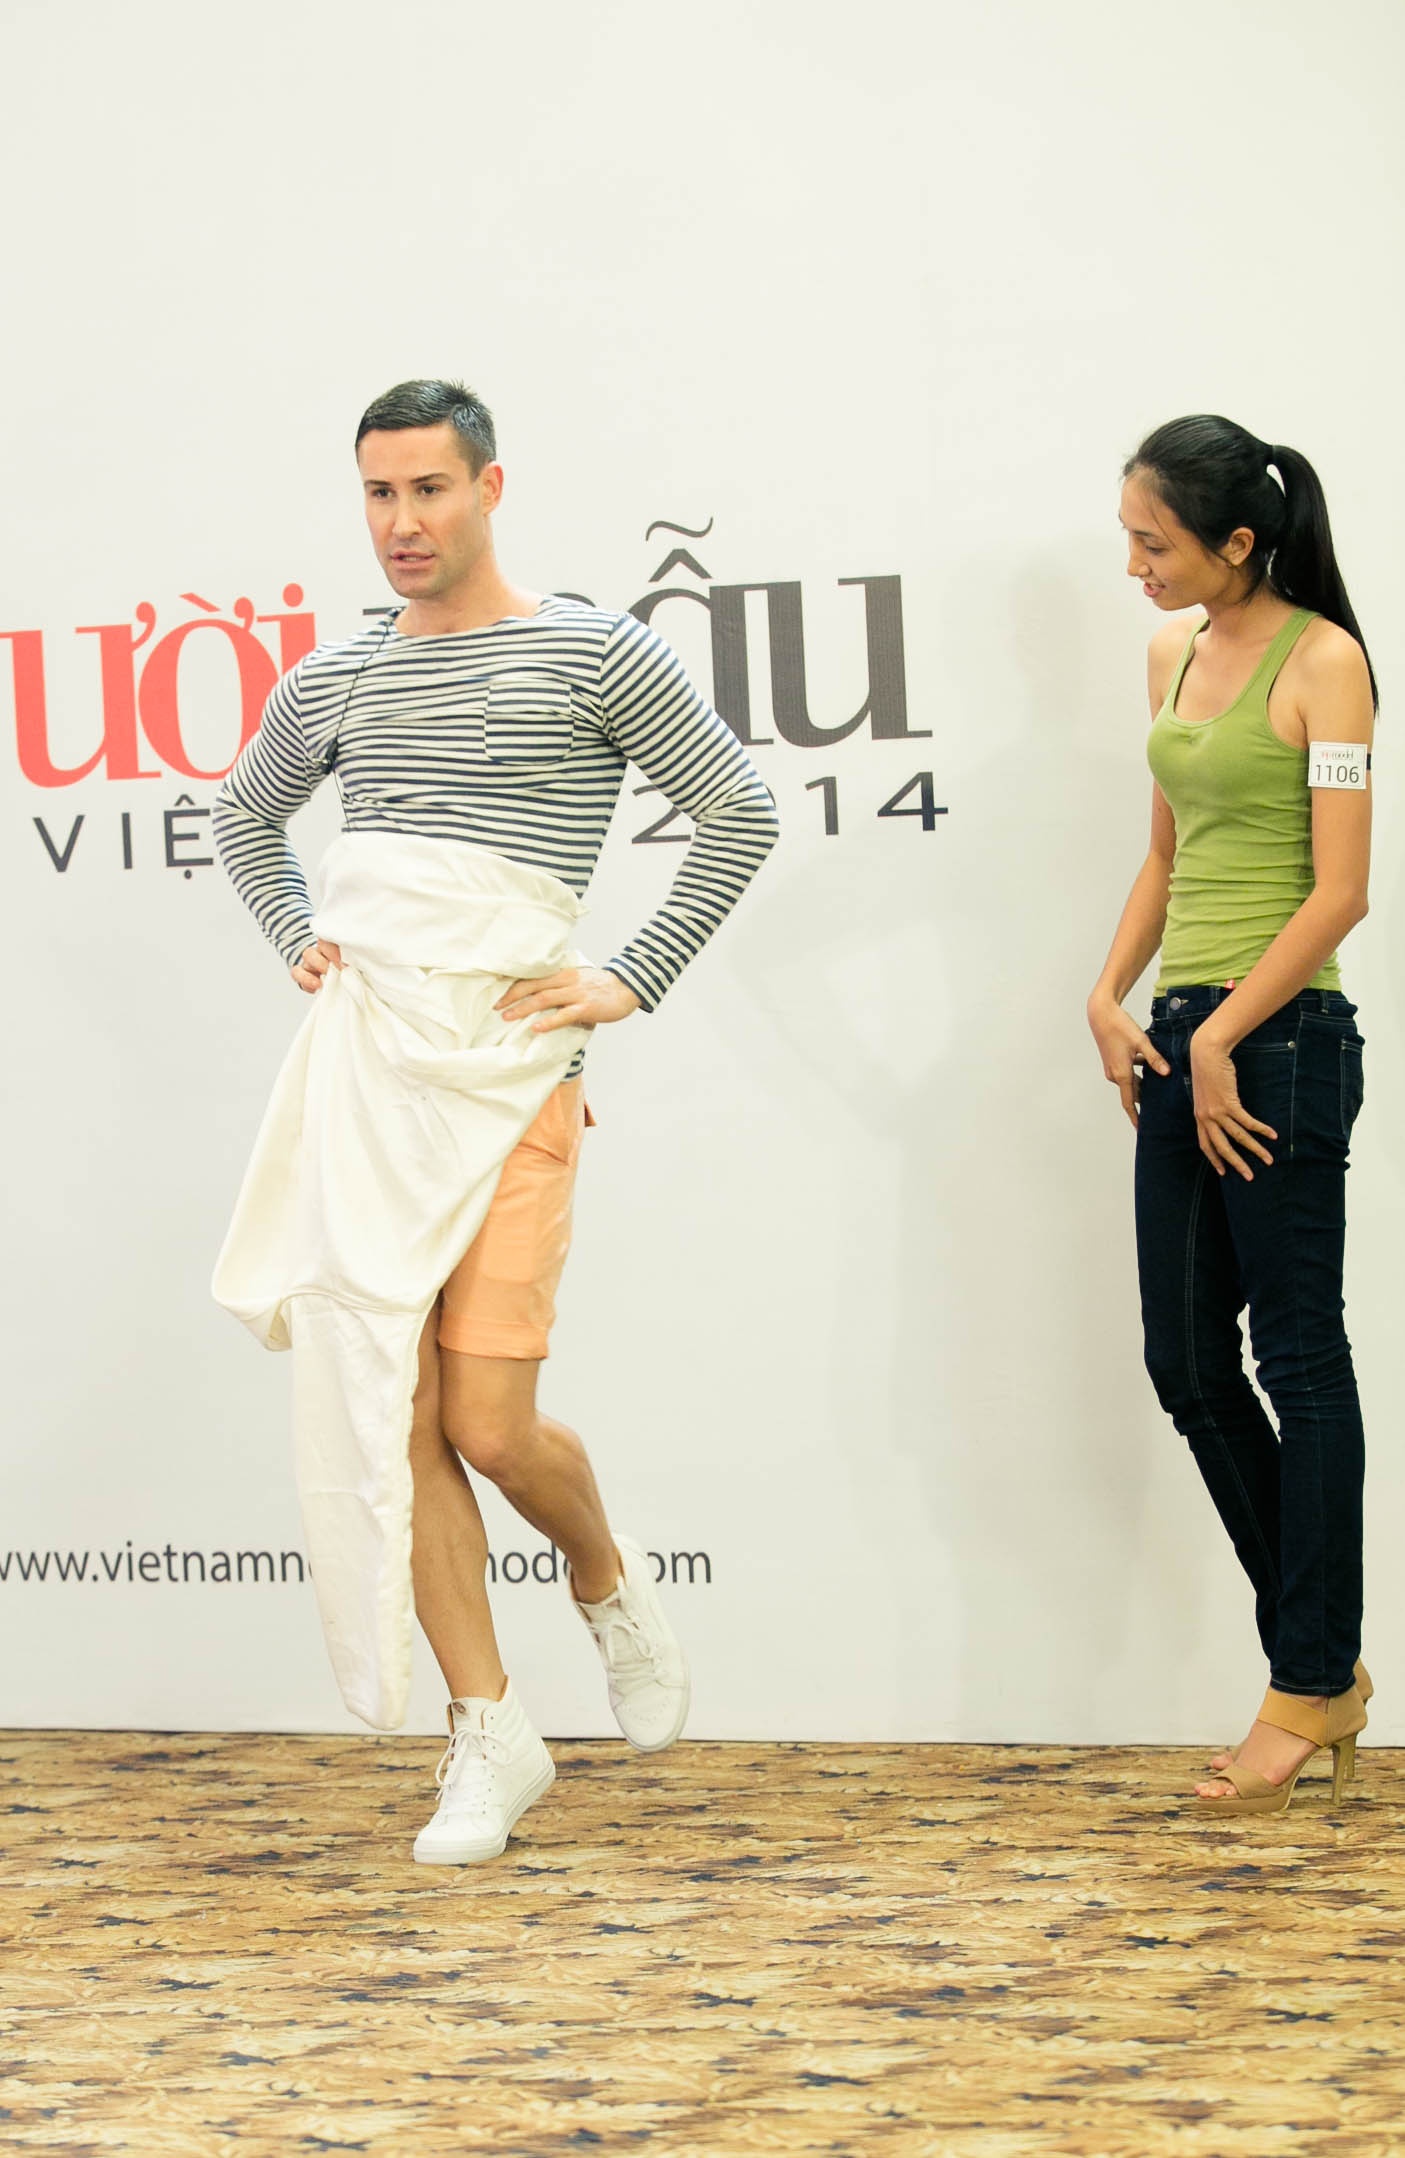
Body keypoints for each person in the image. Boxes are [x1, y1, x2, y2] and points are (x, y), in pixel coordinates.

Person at [213, 378, 778, 1862]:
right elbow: (243, 816)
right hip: (369, 1084)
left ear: (489, 488)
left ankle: (603, 1576)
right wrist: (296, 931)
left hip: (516, 1078)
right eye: (378, 493)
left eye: (429, 489)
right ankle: (489, 1728)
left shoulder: (595, 649)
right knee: (389, 1411)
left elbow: (739, 811)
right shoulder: (339, 675)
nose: (402, 522)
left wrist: (633, 973)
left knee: (487, 1419)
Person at [1088, 414, 1377, 1815]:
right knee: (1189, 1365)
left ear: (1238, 540)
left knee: (1296, 1359)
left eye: (1154, 542)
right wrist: (1108, 992)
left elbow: (1341, 892)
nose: (1134, 565)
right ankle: (1317, 1665)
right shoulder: (1171, 655)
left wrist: (1221, 1035)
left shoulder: (1325, 663)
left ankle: (1305, 1677)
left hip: (1284, 1041)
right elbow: (1167, 852)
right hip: (1182, 1038)